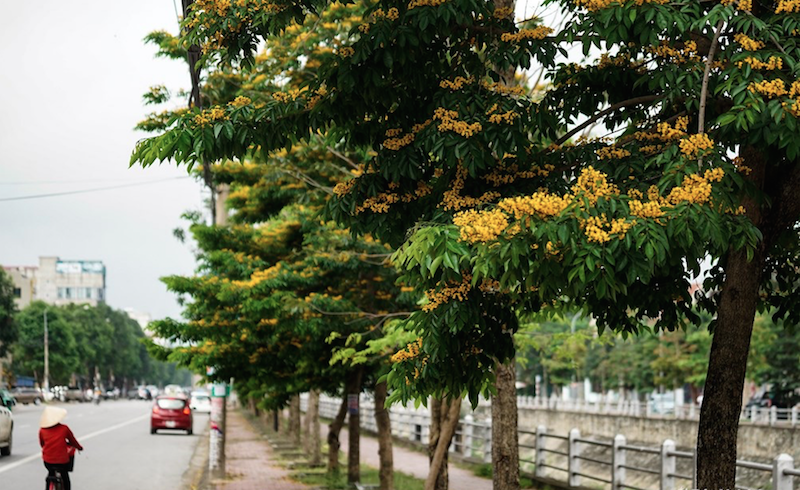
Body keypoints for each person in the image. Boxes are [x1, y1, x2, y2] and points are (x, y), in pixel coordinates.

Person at [39, 406, 83, 490]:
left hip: (48, 461)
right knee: (65, 476)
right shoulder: (64, 428)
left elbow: (42, 444)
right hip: (62, 461)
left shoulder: (42, 430)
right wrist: (79, 448)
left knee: (50, 474)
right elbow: (73, 441)